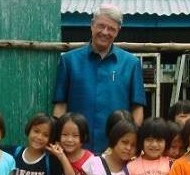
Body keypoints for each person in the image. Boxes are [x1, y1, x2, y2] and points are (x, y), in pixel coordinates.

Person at [52, 3, 146, 154]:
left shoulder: (131, 63)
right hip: (75, 152)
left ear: (118, 31)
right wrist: (58, 140)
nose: (105, 32)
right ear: (92, 25)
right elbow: (60, 105)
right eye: (101, 26)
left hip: (115, 153)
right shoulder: (69, 61)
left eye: (111, 29)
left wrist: (132, 144)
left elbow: (137, 108)